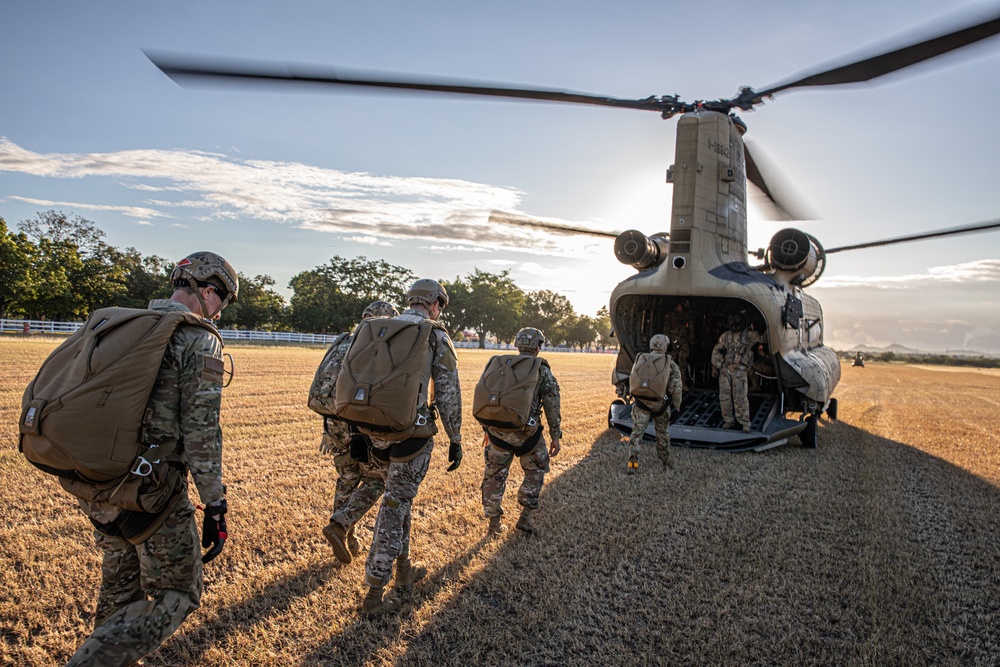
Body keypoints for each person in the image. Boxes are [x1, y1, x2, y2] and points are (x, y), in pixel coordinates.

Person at [65, 251, 238, 666]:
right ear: (209, 291)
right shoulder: (197, 338)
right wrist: (214, 503)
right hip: (149, 490)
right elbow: (201, 432)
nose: (219, 312)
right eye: (222, 303)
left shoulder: (119, 325)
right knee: (178, 592)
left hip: (95, 480)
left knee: (120, 593)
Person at [327, 278, 463, 617]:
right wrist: (455, 437)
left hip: (369, 432)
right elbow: (447, 392)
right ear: (435, 304)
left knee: (400, 503)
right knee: (395, 504)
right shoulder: (435, 334)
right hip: (410, 437)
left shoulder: (376, 327)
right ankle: (374, 592)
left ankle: (404, 574)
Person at [316, 300, 399, 561]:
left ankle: (346, 534)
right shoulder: (374, 346)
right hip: (357, 426)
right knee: (377, 479)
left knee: (348, 478)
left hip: (332, 423)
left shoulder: (342, 342)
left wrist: (326, 429)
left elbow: (327, 384)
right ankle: (341, 525)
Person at [481, 327, 563, 537]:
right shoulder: (541, 369)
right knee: (536, 471)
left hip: (498, 432)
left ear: (518, 345)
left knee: (494, 476)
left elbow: (487, 397)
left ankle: (494, 525)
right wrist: (555, 435)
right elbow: (552, 404)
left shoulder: (501, 365)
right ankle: (525, 518)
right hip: (528, 435)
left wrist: (486, 429)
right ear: (538, 347)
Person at [626, 333, 683, 473]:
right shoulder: (670, 364)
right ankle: (665, 463)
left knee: (637, 432)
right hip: (660, 405)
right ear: (665, 346)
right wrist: (677, 406)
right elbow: (676, 388)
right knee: (662, 434)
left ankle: (632, 463)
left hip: (641, 404)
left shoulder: (641, 359)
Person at [711, 315, 766, 433]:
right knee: (725, 396)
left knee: (740, 396)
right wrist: (715, 367)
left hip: (740, 370)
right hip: (725, 369)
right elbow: (716, 351)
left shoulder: (749, 336)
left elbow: (763, 339)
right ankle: (728, 420)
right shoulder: (725, 336)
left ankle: (744, 422)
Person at [664, 301, 692, 390]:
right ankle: (669, 383)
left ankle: (682, 383)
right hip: (673, 341)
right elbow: (666, 329)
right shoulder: (671, 316)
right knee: (671, 363)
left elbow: (690, 327)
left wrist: (691, 338)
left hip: (683, 341)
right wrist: (668, 342)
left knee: (682, 362)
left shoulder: (686, 315)